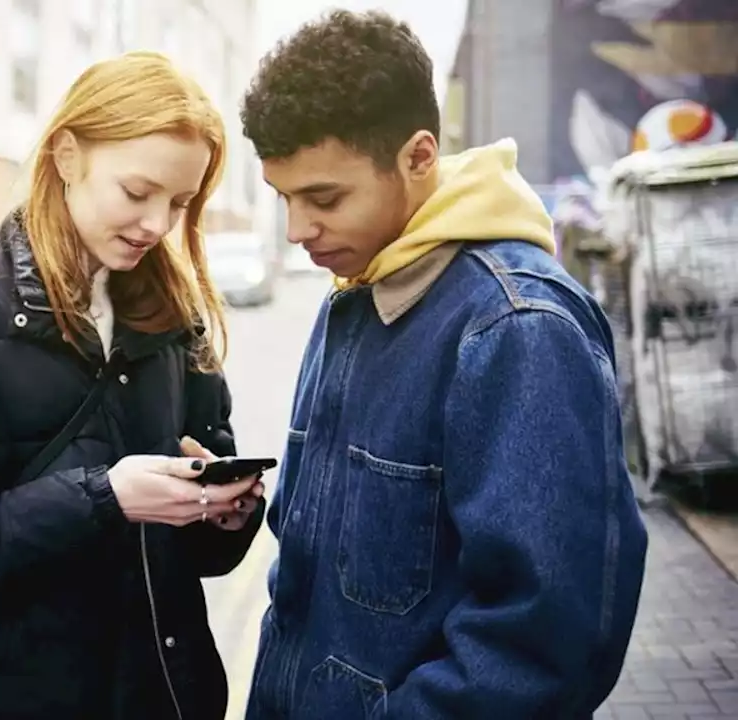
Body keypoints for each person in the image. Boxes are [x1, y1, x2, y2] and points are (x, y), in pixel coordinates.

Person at [238, 10, 648, 719]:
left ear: (419, 157)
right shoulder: (353, 295)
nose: (298, 230)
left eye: (324, 198)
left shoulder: (518, 328)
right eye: (284, 198)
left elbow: (546, 643)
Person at [0, 51, 266, 720]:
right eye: (137, 192)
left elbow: (199, 550)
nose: (158, 225)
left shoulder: (174, 320)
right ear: (67, 157)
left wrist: (221, 514)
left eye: (180, 203)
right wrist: (101, 499)